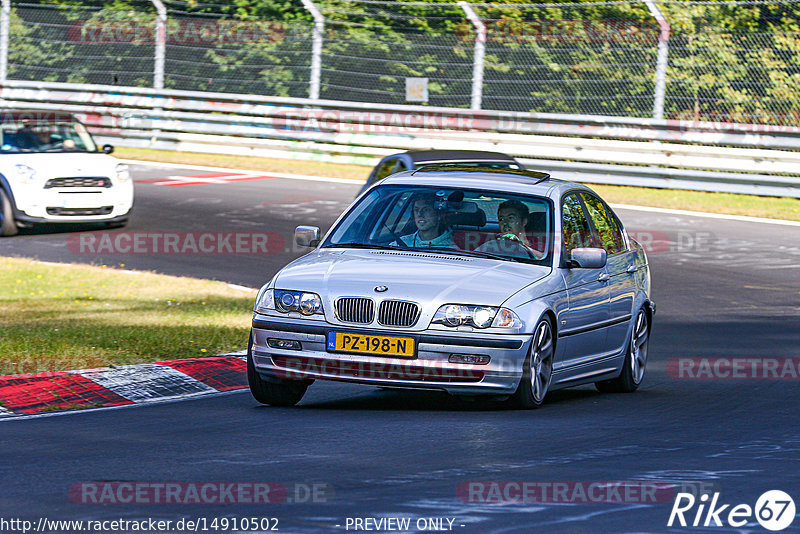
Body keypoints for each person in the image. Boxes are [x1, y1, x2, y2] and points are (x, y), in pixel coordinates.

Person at [476, 199, 545, 259]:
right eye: (501, 219)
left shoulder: (538, 244)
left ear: (524, 221)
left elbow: (542, 258)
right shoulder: (493, 242)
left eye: (511, 218)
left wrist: (522, 246)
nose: (505, 223)